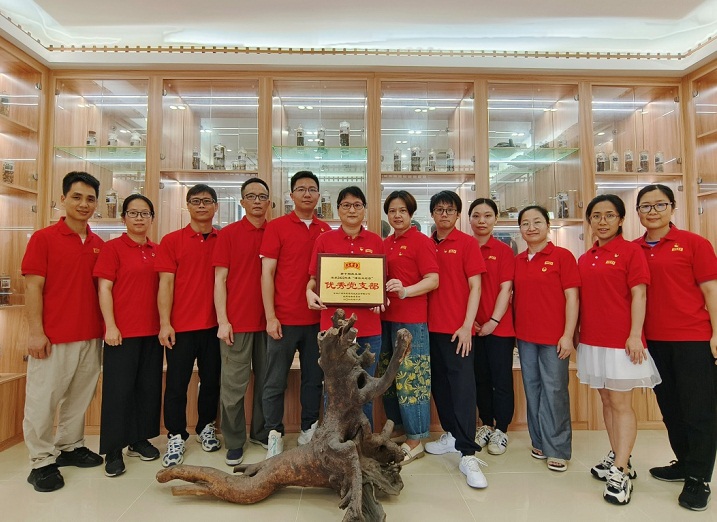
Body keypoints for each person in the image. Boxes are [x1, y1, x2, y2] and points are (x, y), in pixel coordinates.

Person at [633, 184, 717, 511]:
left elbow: (711, 291)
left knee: (699, 410)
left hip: (692, 339)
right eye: (646, 206)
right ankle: (684, 462)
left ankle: (699, 478)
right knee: (670, 407)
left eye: (659, 205)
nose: (652, 211)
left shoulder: (694, 244)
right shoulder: (634, 249)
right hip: (653, 342)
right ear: (638, 212)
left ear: (672, 207)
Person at [21, 171, 104, 492]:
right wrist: (35, 332)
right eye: (77, 197)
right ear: (63, 199)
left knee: (80, 396)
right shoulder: (43, 239)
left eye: (90, 199)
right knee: (43, 399)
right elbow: (32, 288)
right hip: (53, 336)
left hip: (91, 334)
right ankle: (41, 461)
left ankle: (70, 446)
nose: (84, 204)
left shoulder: (98, 244)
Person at [577, 194, 661, 505]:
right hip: (592, 340)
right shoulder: (586, 257)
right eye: (596, 216)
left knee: (621, 404)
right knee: (607, 400)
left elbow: (640, 295)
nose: (602, 221)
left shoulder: (631, 252)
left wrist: (635, 335)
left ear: (621, 219)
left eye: (609, 215)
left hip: (622, 342)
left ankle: (621, 470)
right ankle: (618, 455)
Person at [260, 171, 329, 458]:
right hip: (284, 320)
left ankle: (308, 430)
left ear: (318, 195)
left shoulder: (326, 230)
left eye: (312, 189)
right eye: (301, 189)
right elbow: (267, 274)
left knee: (314, 380)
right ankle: (274, 433)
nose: (307, 194)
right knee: (275, 380)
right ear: (291, 195)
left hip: (317, 321)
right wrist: (270, 316)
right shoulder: (276, 227)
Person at [94, 194, 163, 477]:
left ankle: (138, 440)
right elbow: (104, 288)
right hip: (121, 333)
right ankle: (113, 449)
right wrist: (110, 326)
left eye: (145, 213)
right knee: (118, 391)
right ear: (123, 217)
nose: (139, 218)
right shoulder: (112, 249)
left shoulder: (158, 250)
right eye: (133, 213)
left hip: (153, 332)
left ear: (152, 218)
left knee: (147, 388)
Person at [423, 191, 487, 489]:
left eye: (450, 210)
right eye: (439, 209)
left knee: (463, 389)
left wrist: (466, 326)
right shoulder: (426, 243)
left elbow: (476, 287)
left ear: (458, 214)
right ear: (432, 214)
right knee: (439, 385)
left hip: (457, 330)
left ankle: (467, 452)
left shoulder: (467, 243)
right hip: (428, 329)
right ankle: (451, 434)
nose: (444, 214)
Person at [306, 186, 384, 428]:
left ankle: (363, 440)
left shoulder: (376, 241)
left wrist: (382, 298)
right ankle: (334, 438)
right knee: (333, 388)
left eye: (357, 205)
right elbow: (313, 279)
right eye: (346, 205)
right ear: (338, 209)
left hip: (369, 328)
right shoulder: (324, 240)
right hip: (334, 331)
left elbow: (381, 283)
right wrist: (309, 292)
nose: (352, 210)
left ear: (365, 210)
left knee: (365, 388)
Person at [156, 184, 221, 467]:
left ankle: (206, 426)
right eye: (196, 201)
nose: (202, 206)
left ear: (216, 206)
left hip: (214, 327)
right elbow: (165, 285)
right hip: (180, 327)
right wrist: (165, 323)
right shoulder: (172, 241)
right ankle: (176, 435)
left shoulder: (223, 239)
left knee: (211, 381)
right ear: (187, 206)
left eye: (207, 201)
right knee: (176, 384)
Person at [513, 205, 579, 472]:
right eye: (525, 223)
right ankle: (539, 441)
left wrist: (568, 335)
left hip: (555, 339)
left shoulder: (562, 256)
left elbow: (572, 298)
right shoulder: (518, 260)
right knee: (533, 389)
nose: (531, 227)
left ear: (547, 225)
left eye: (537, 222)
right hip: (525, 337)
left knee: (555, 390)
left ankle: (558, 449)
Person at [213, 178, 271, 467]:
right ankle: (235, 441)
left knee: (267, 383)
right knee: (233, 386)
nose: (257, 201)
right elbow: (219, 280)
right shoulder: (229, 234)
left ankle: (260, 433)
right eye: (251, 196)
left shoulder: (276, 232)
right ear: (242, 202)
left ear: (269, 202)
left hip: (270, 323)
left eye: (262, 196)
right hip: (237, 323)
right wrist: (223, 320)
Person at [378, 190, 438, 465]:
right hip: (385, 320)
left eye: (402, 210)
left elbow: (433, 279)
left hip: (412, 321)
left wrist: (405, 291)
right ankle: (400, 428)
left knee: (412, 379)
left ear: (411, 213)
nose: (397, 215)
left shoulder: (421, 241)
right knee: (390, 378)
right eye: (392, 211)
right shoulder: (385, 243)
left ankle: (416, 440)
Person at [468, 198, 516, 456]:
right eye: (476, 215)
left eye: (487, 215)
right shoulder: (466, 247)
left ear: (496, 219)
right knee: (480, 378)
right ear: (469, 219)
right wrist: (472, 321)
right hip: (472, 328)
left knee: (501, 379)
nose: (482, 221)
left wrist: (492, 322)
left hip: (500, 328)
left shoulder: (504, 250)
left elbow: (506, 289)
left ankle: (502, 429)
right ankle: (485, 424)